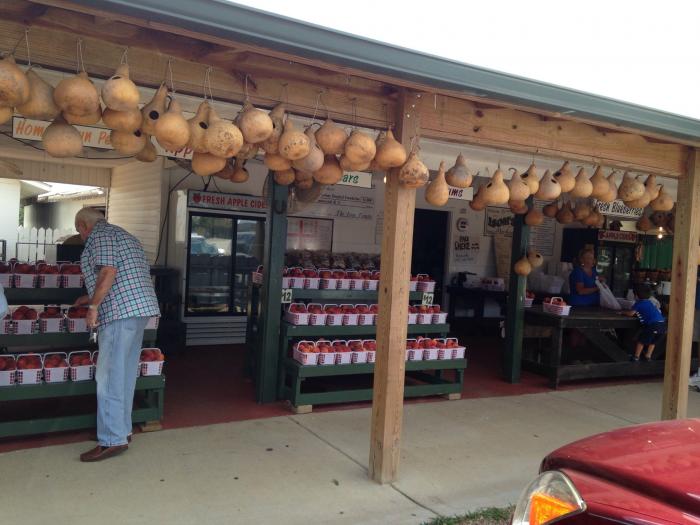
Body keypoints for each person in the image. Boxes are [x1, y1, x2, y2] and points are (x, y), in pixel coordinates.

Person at [73, 208, 160, 462]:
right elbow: (123, 276)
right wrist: (89, 297)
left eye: (79, 230)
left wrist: (93, 306)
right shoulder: (123, 235)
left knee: (109, 376)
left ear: (83, 225)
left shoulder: (99, 236)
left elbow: (108, 271)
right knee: (123, 374)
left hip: (119, 313)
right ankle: (121, 430)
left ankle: (112, 439)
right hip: (138, 310)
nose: (81, 236)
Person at [620, 284, 666, 362]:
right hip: (662, 324)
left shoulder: (639, 303)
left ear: (636, 296)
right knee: (653, 342)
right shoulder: (650, 302)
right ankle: (648, 356)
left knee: (641, 341)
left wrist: (622, 312)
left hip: (653, 325)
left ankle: (636, 357)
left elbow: (631, 313)